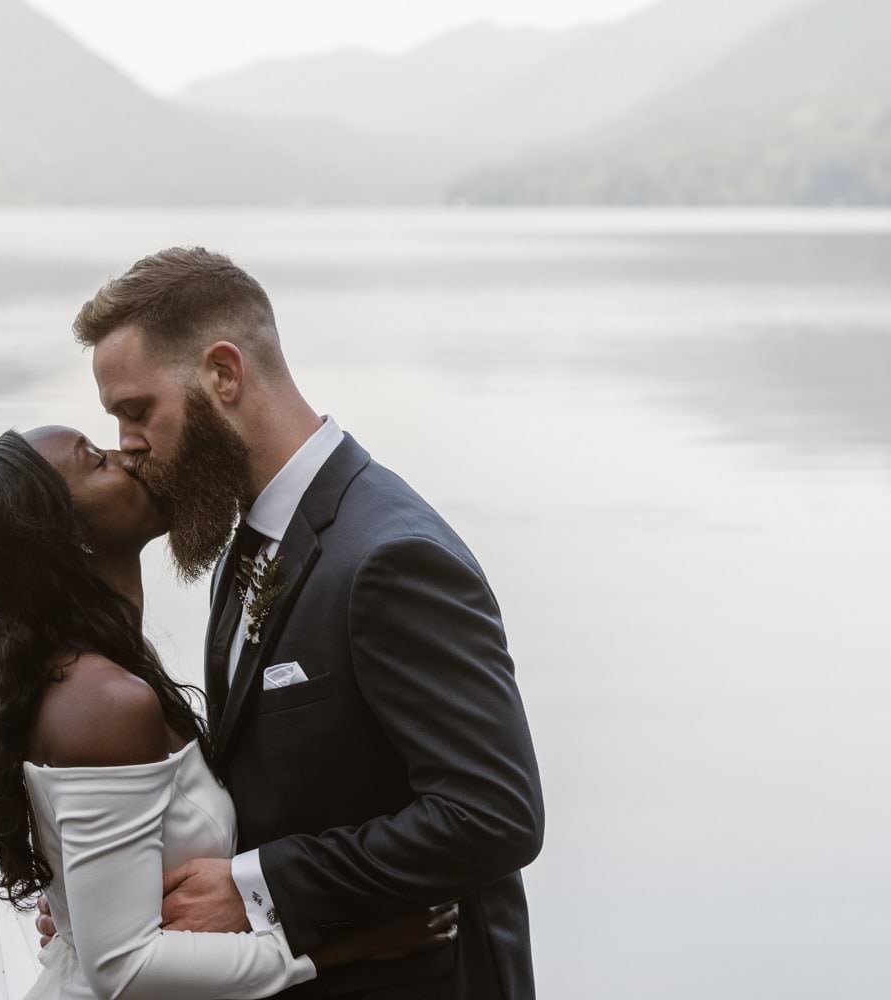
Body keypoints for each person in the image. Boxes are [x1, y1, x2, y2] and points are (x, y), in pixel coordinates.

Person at [35, 247, 545, 999]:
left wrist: (255, 884)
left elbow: (494, 815)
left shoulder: (390, 557)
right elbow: (271, 785)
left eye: (137, 411)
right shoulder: (242, 548)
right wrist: (109, 890)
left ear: (223, 374)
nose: (128, 445)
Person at [0, 426, 457, 1000]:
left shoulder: (102, 666)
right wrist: (340, 948)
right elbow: (124, 970)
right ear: (68, 539)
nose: (125, 455)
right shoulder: (102, 701)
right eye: (95, 460)